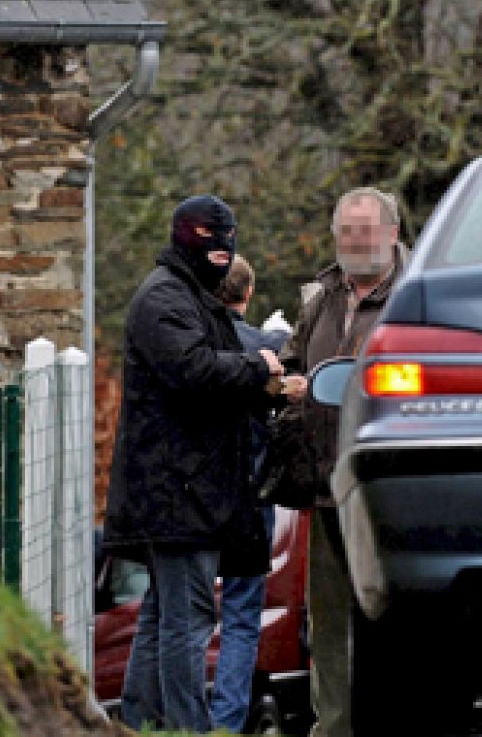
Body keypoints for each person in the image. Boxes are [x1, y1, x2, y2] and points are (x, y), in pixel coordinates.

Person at [103, 195, 288, 734]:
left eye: (226, 238)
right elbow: (195, 371)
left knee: (164, 615)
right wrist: (259, 367)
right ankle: (187, 728)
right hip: (178, 490)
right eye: (210, 237)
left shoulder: (186, 296)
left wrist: (259, 377)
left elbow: (209, 370)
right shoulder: (166, 299)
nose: (221, 248)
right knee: (188, 619)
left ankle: (143, 722)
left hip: (187, 488)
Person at [279, 187, 406, 737]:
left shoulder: (415, 293)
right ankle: (332, 729)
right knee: (327, 621)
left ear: (393, 233)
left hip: (390, 486)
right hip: (325, 483)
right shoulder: (322, 295)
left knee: (391, 612)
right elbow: (294, 359)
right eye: (347, 232)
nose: (357, 242)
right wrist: (283, 379)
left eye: (367, 230)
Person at [209, 255, 291, 732]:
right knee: (242, 615)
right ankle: (227, 722)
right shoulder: (265, 345)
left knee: (189, 613)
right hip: (250, 495)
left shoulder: (194, 341)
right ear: (247, 294)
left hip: (201, 494)